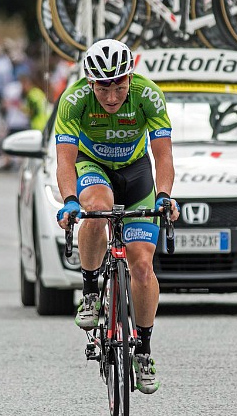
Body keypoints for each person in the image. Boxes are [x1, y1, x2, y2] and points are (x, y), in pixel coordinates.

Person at [54, 39, 180, 395]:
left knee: (142, 267)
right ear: (90, 83)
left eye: (119, 87)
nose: (111, 97)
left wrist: (165, 195)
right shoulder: (74, 100)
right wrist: (69, 200)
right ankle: (91, 290)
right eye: (103, 88)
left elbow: (163, 156)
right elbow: (65, 160)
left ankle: (143, 350)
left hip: (137, 171)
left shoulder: (148, 96)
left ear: (130, 77)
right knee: (95, 207)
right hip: (93, 166)